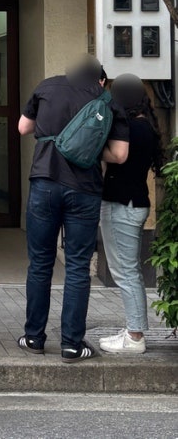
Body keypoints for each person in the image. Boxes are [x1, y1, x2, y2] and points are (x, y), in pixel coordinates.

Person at [18, 56, 129, 362]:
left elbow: (23, 127)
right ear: (101, 79)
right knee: (78, 266)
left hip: (44, 184)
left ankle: (34, 338)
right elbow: (119, 155)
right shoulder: (107, 100)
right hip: (85, 190)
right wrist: (87, 146)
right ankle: (71, 344)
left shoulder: (46, 87)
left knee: (40, 263)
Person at [99, 74, 163, 355]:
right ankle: (134, 331)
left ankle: (135, 335)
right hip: (136, 202)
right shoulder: (147, 126)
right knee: (131, 271)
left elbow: (116, 157)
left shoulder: (128, 129)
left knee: (125, 272)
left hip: (121, 205)